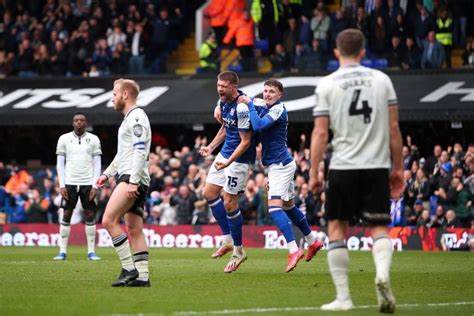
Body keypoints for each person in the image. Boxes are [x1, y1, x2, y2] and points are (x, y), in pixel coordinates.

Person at [309, 29, 404, 312]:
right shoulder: (382, 80)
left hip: (343, 167)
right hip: (376, 166)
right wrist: (398, 169)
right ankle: (383, 274)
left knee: (336, 228)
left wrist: (314, 172)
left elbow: (320, 133)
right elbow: (394, 129)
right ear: (363, 52)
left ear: (336, 52)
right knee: (378, 228)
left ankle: (344, 298)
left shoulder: (327, 84)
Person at [237, 79, 323, 273]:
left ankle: (294, 249)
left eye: (271, 92)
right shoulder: (260, 102)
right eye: (265, 91)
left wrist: (250, 104)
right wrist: (221, 105)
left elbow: (258, 125)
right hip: (278, 165)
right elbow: (238, 93)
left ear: (279, 95)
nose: (267, 94)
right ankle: (312, 241)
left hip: (281, 166)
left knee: (275, 209)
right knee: (289, 206)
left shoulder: (278, 110)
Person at [96, 79, 151, 287]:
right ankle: (143, 277)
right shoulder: (129, 118)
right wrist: (107, 174)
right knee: (134, 228)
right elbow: (122, 154)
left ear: (125, 94)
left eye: (114, 93)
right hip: (131, 175)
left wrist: (134, 181)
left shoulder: (136, 116)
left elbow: (139, 150)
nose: (112, 98)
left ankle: (129, 269)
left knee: (109, 220)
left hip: (132, 177)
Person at [200, 70, 255, 273]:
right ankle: (227, 240)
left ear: (233, 86)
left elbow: (246, 141)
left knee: (229, 202)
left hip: (238, 158)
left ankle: (238, 250)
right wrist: (211, 148)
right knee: (208, 192)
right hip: (224, 154)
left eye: (224, 86)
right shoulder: (223, 103)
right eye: (218, 86)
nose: (220, 89)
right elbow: (225, 128)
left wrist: (229, 162)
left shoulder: (242, 106)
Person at [53, 113, 102, 261]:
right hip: (70, 183)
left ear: (86, 123)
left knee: (90, 215)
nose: (79, 122)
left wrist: (95, 185)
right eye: (76, 120)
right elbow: (60, 163)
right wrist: (62, 185)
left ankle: (91, 252)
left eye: (81, 120)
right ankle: (62, 252)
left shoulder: (94, 139)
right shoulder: (64, 139)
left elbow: (98, 163)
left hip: (88, 183)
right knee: (67, 214)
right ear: (73, 123)